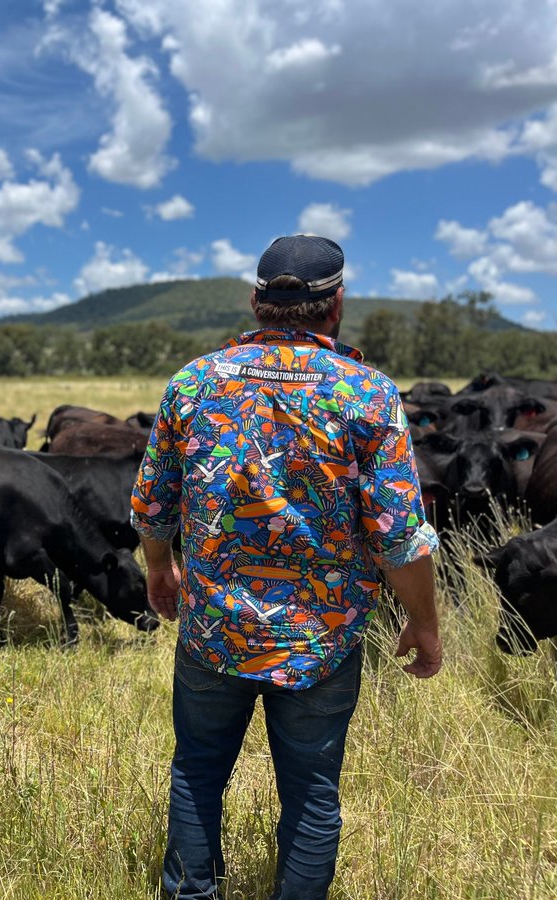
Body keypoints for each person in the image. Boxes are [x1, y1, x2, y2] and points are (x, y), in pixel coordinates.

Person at [131, 234, 442, 900]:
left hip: (213, 629)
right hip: (320, 640)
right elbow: (399, 540)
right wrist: (424, 622)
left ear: (255, 301)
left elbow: (153, 506)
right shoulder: (367, 395)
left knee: (196, 774)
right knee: (310, 796)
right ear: (335, 307)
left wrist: (160, 569)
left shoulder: (194, 382)